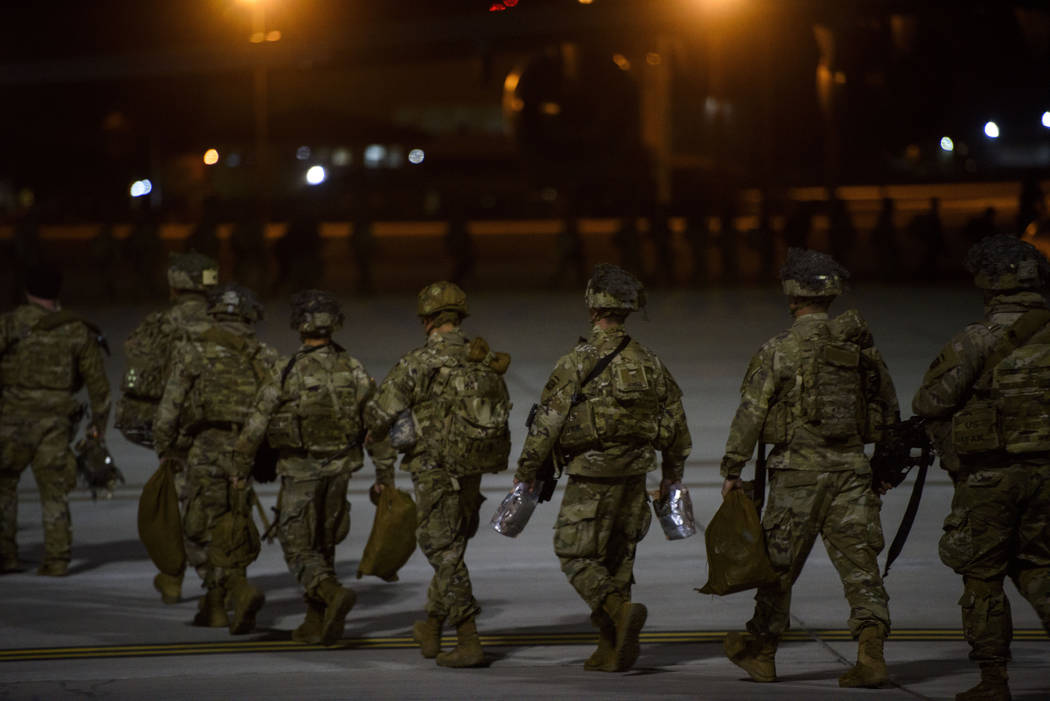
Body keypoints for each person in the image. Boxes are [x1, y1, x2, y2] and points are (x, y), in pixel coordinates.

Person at [719, 248, 899, 688]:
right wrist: (883, 468)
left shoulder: (780, 349)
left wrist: (731, 468)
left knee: (778, 568)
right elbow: (887, 409)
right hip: (852, 473)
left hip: (796, 477)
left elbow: (751, 413)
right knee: (861, 568)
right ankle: (871, 653)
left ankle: (762, 652)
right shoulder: (859, 350)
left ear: (792, 297)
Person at [513, 263, 691, 673]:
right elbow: (677, 423)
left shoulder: (577, 361)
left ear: (593, 309)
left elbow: (547, 423)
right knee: (618, 561)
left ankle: (616, 610)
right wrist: (671, 474)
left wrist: (526, 469)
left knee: (574, 553)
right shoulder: (650, 361)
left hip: (590, 476)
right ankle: (611, 648)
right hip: (634, 475)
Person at [912, 235, 1050, 701]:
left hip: (990, 477)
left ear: (989, 287)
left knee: (983, 573)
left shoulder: (977, 339)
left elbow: (931, 401)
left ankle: (993, 680)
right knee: (1040, 565)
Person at [234, 290, 397, 646]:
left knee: (296, 545)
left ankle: (330, 592)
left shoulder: (287, 369)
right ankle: (316, 621)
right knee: (323, 544)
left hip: (300, 470)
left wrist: (240, 467)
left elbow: (256, 423)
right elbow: (377, 425)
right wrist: (385, 475)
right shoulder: (352, 367)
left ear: (300, 324)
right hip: (340, 471)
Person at [364, 281, 512, 668]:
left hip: (434, 468)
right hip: (471, 467)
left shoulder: (418, 361)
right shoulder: (482, 356)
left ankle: (467, 638)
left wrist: (373, 432)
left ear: (427, 320)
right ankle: (431, 626)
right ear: (459, 318)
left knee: (440, 549)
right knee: (453, 544)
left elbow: (380, 413)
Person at [153, 283, 279, 634]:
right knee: (233, 525)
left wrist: (165, 447)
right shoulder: (265, 355)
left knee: (198, 528)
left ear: (215, 313)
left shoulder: (193, 352)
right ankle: (217, 605)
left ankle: (234, 593)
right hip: (246, 451)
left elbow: (169, 408)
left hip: (206, 447)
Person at [116, 251, 219, 603]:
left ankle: (181, 578)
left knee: (179, 501)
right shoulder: (226, 323)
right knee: (211, 503)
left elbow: (138, 378)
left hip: (172, 429)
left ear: (175, 286)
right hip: (218, 431)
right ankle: (210, 580)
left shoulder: (159, 324)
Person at [0, 263, 111, 576]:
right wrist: (96, 431)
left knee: (4, 486)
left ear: (26, 291)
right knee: (54, 491)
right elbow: (99, 388)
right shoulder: (76, 329)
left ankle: (5, 555)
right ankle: (57, 559)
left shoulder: (9, 325)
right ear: (57, 291)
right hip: (56, 424)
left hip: (11, 422)